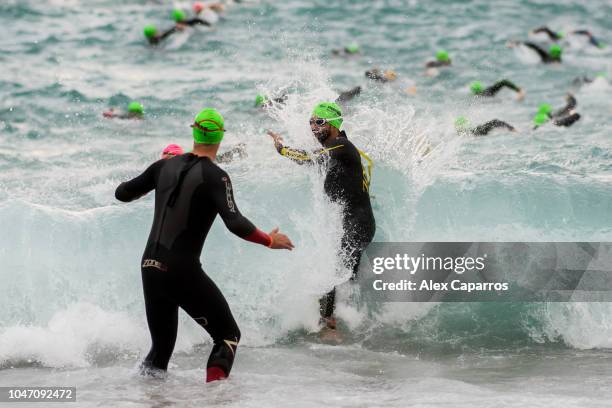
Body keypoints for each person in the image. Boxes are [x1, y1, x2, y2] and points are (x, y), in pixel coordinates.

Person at [115, 108, 294, 382]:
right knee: (227, 336)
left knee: (161, 349)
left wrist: (158, 173)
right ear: (220, 136)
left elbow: (122, 193)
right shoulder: (216, 176)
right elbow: (235, 223)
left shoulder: (164, 166)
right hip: (181, 270)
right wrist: (269, 240)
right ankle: (214, 399)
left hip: (149, 266)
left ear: (193, 131)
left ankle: (140, 395)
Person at [268, 102, 376, 335]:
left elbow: (308, 157)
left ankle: (329, 324)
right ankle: (352, 321)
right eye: (311, 122)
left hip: (358, 224)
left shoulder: (341, 145)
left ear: (334, 124)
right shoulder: (339, 150)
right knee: (345, 275)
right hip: (357, 222)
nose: (313, 127)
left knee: (333, 272)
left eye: (320, 122)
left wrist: (281, 148)